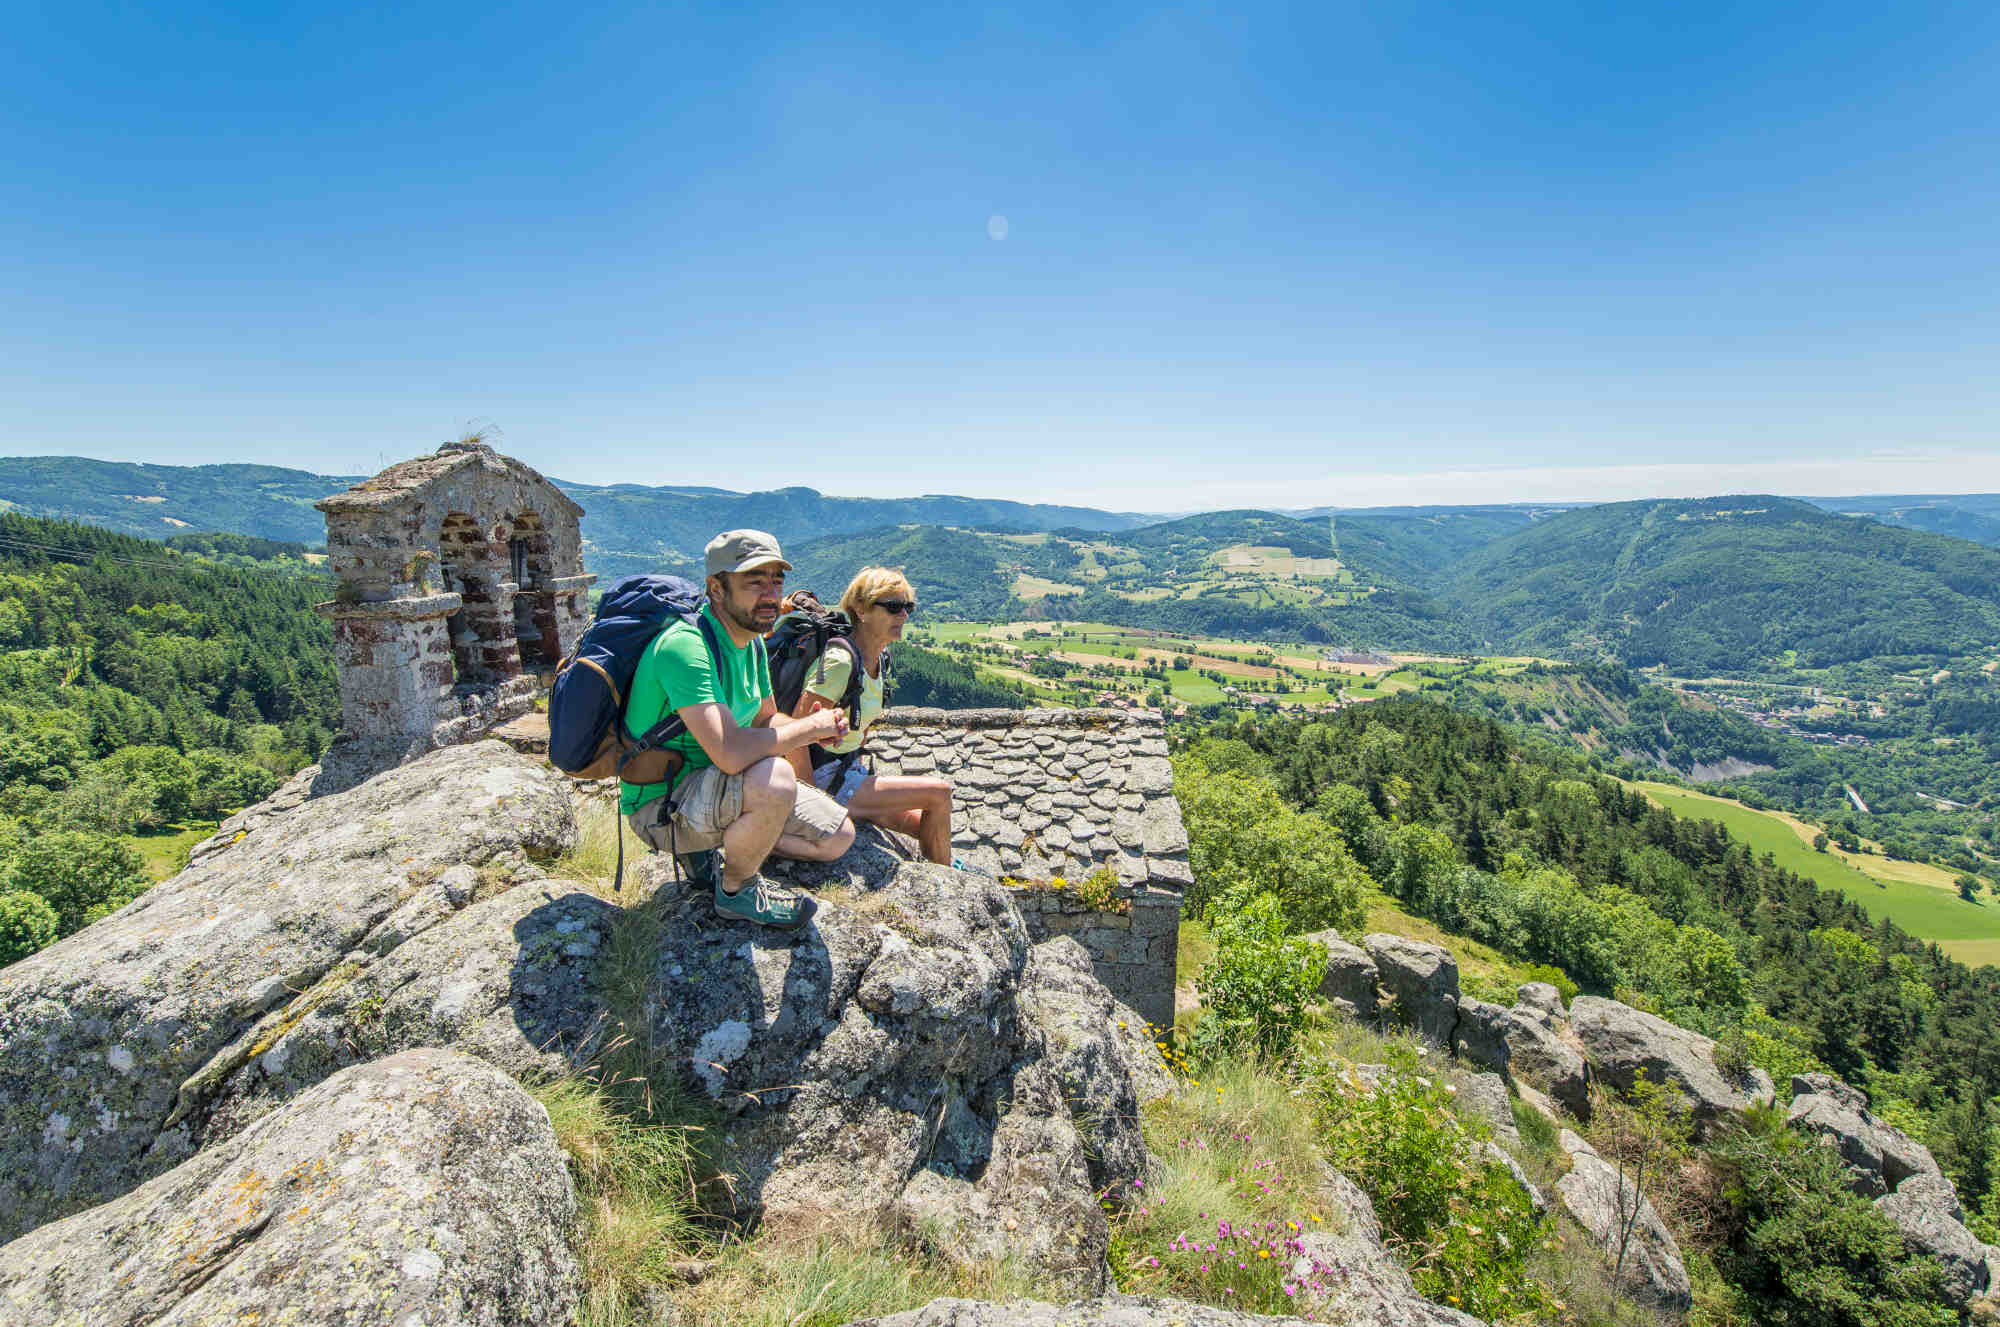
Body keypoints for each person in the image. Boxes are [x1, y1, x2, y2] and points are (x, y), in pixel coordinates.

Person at [621, 530, 855, 929]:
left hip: (719, 788)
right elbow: (730, 752)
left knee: (839, 836)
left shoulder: (752, 644)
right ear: (716, 587)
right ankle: (736, 890)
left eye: (776, 580)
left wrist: (812, 728)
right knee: (776, 780)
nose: (770, 594)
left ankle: (725, 847)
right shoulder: (686, 647)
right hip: (663, 804)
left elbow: (766, 721)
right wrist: (806, 730)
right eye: (754, 581)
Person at [785, 567, 957, 865]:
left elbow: (860, 720)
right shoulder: (841, 661)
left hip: (848, 771)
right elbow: (796, 734)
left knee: (925, 826)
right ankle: (952, 885)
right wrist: (812, 802)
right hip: (826, 778)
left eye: (908, 607)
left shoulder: (879, 658)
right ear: (861, 611)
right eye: (893, 607)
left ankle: (945, 871)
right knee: (939, 794)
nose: (903, 615)